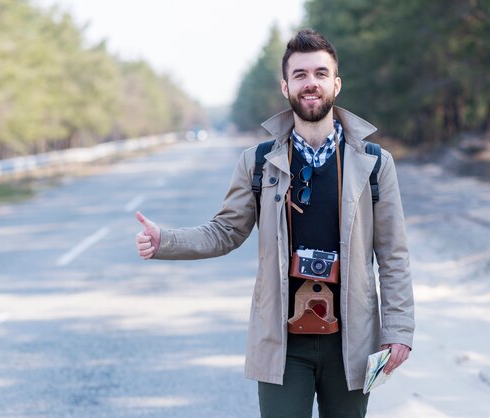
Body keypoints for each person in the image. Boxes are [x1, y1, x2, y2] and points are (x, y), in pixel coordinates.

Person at [135, 28, 414, 418]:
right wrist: (167, 240)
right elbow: (225, 231)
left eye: (320, 73)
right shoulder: (258, 162)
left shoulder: (373, 163)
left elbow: (393, 253)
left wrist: (398, 331)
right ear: (286, 87)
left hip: (351, 340)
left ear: (336, 83)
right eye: (300, 75)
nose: (310, 83)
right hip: (282, 343)